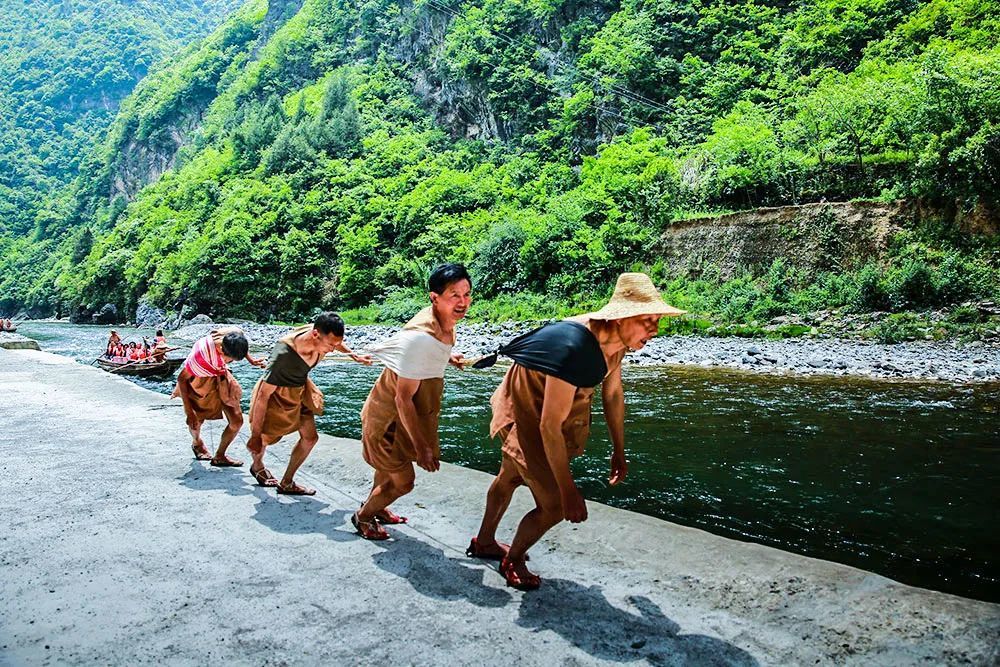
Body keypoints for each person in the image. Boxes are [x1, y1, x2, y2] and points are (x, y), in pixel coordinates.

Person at [467, 273, 685, 590]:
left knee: (511, 473)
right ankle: (512, 560)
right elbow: (548, 425)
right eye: (648, 319)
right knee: (553, 505)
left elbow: (612, 394)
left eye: (658, 320)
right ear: (622, 317)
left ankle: (484, 541)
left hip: (549, 399)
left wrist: (619, 449)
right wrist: (568, 492)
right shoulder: (574, 348)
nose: (655, 329)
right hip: (528, 400)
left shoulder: (618, 343)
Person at [352, 264, 471, 540]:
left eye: (466, 294)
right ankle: (364, 516)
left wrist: (448, 357)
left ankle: (378, 508)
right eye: (454, 295)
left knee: (387, 470)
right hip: (390, 420)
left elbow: (432, 351)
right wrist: (422, 448)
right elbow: (402, 399)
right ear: (434, 297)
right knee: (404, 481)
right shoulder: (421, 338)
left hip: (397, 413)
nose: (462, 302)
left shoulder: (443, 323)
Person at [246, 313, 372, 494]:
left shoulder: (321, 335)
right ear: (315, 335)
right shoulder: (284, 355)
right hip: (278, 395)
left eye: (336, 345)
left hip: (300, 389)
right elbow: (263, 396)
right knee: (264, 438)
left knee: (310, 438)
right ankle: (257, 466)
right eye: (330, 345)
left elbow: (336, 342)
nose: (333, 350)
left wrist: (354, 355)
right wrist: (255, 435)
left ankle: (287, 482)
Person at [172, 327, 265, 465]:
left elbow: (239, 343)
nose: (231, 362)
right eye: (230, 360)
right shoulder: (200, 358)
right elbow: (181, 379)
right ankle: (197, 443)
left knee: (236, 421)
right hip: (200, 378)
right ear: (221, 349)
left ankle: (220, 456)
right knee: (196, 420)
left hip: (221, 375)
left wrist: (251, 360)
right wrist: (188, 411)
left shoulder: (233, 334)